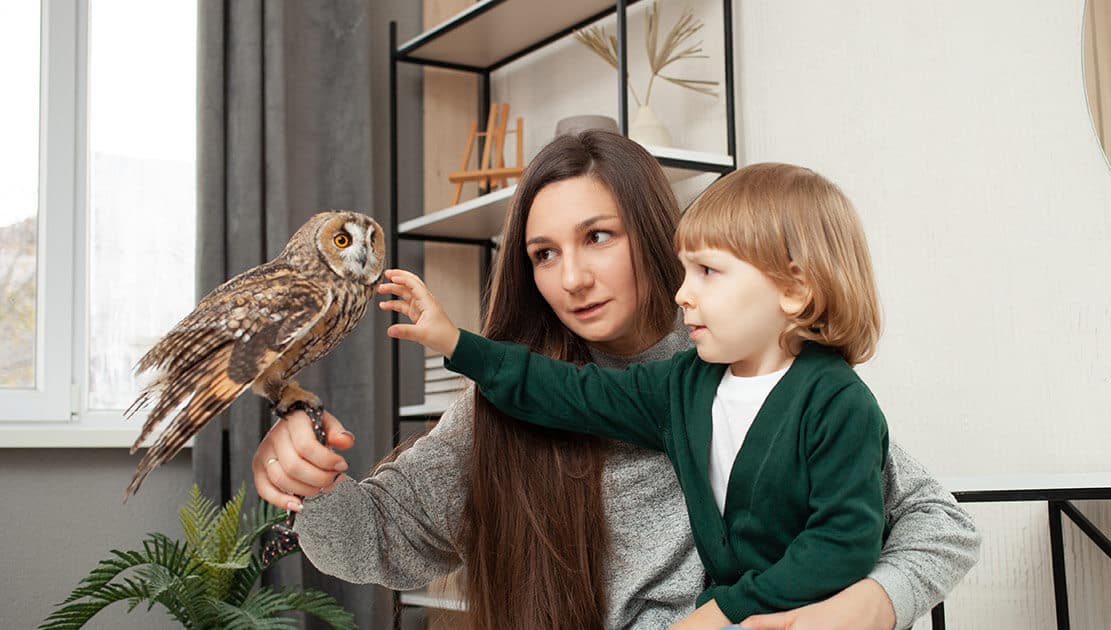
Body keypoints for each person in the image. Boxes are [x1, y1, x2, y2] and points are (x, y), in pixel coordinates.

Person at [253, 131, 980, 630]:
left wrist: (869, 605)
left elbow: (937, 524)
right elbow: (375, 542)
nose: (571, 278)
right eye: (543, 253)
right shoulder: (505, 405)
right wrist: (309, 479)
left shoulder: (760, 375)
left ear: (655, 233)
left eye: (599, 237)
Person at [380, 162, 890, 627]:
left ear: (794, 289)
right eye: (685, 270)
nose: (681, 293)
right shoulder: (685, 383)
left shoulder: (839, 406)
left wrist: (728, 611)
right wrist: (456, 343)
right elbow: (567, 392)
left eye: (707, 272)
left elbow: (843, 545)